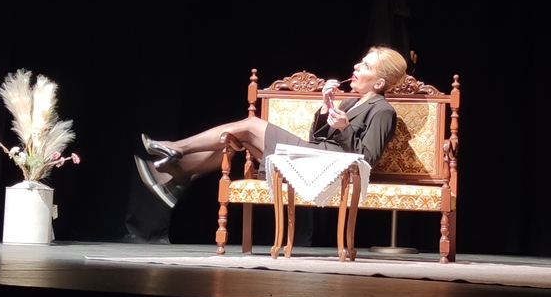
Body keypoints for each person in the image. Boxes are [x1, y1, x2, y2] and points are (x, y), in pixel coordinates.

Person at [134, 45, 408, 211]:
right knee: (236, 138)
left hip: (332, 169)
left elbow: (367, 159)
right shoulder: (350, 102)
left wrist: (345, 129)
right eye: (361, 62)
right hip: (317, 157)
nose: (356, 67)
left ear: (379, 83)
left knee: (250, 124)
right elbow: (315, 138)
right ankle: (177, 179)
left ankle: (176, 150)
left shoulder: (383, 111)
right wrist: (326, 108)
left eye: (366, 66)